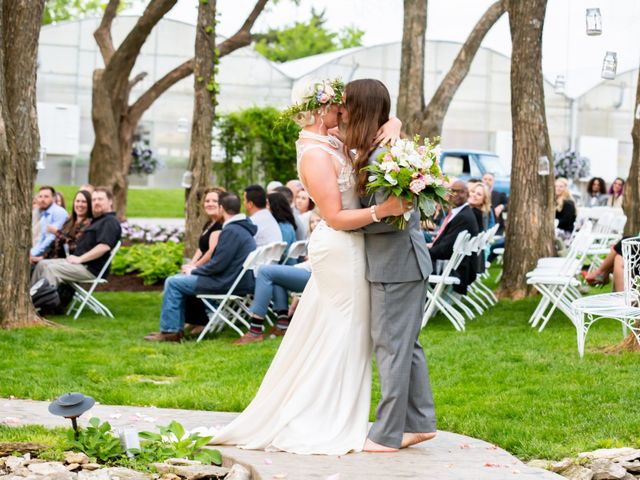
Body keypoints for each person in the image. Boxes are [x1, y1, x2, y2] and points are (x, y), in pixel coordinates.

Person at [211, 77, 408, 454]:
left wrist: (395, 123)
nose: (345, 109)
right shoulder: (315, 153)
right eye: (339, 104)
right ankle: (321, 415)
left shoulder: (331, 141)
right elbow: (333, 215)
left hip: (353, 245)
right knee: (345, 329)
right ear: (323, 109)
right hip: (340, 247)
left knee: (341, 328)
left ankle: (333, 408)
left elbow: (373, 125)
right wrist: (382, 210)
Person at [340, 78, 436, 452]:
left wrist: (350, 220)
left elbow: (398, 217)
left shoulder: (384, 156)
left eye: (346, 103)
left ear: (361, 108)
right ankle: (419, 423)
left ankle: (388, 433)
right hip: (397, 263)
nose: (341, 110)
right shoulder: (375, 148)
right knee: (404, 346)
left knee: (392, 347)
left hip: (397, 264)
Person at [144, 194, 257, 342]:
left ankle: (170, 331)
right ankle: (178, 328)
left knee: (173, 282)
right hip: (234, 280)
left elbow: (218, 264)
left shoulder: (232, 231)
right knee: (180, 280)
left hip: (226, 282)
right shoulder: (243, 228)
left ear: (222, 208)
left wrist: (194, 271)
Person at [234, 210, 321, 343]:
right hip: (310, 272)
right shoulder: (315, 237)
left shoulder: (325, 237)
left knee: (265, 271)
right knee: (274, 275)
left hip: (315, 277)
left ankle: (255, 330)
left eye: (318, 221)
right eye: (312, 221)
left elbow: (314, 265)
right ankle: (282, 325)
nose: (314, 225)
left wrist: (293, 268)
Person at [31, 187, 121, 287]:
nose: (96, 202)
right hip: (79, 263)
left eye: (100, 199)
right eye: (94, 200)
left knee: (51, 269)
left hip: (89, 268)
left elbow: (104, 246)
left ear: (110, 201)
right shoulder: (98, 220)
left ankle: (44, 301)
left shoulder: (110, 221)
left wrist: (80, 259)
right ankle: (30, 298)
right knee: (41, 265)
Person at [429, 180, 480, 293]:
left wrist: (425, 251)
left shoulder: (464, 217)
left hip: (455, 270)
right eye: (452, 191)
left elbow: (445, 250)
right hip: (450, 265)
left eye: (460, 191)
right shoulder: (460, 213)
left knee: (412, 258)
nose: (456, 194)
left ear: (467, 194)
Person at [181, 187, 225, 274]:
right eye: (207, 201)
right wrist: (191, 263)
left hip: (210, 271)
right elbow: (201, 248)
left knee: (172, 281)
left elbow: (211, 252)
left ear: (222, 204)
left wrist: (194, 267)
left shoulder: (220, 225)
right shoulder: (209, 223)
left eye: (214, 201)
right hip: (201, 267)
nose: (210, 204)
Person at [44, 190, 93, 259]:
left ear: (89, 204)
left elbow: (75, 247)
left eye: (84, 202)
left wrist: (57, 233)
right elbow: (55, 242)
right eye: (77, 201)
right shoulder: (69, 220)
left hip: (69, 262)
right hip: (53, 258)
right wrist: (43, 256)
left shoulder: (89, 224)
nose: (80, 204)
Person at [30, 186, 69, 264]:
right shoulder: (45, 214)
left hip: (58, 254)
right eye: (40, 196)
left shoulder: (59, 212)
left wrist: (33, 254)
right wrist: (32, 252)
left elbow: (51, 238)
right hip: (46, 253)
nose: (42, 199)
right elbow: (42, 238)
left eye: (46, 196)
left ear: (54, 198)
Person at [267, 192, 297, 260]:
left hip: (286, 266)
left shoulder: (283, 228)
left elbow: (279, 255)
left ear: (275, 206)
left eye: (267, 204)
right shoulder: (286, 225)